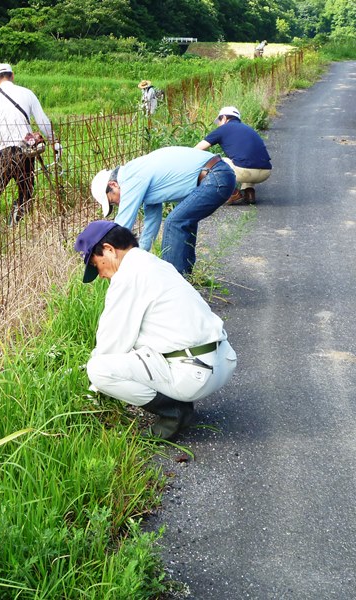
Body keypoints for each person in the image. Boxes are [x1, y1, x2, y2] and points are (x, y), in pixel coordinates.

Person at [74, 220, 237, 440]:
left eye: (96, 265)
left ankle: (175, 412)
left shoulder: (127, 277)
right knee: (138, 343)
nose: (100, 275)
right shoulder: (154, 264)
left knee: (99, 369)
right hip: (221, 361)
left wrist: (93, 388)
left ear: (109, 250)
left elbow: (111, 343)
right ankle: (179, 402)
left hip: (195, 374)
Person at [90, 146, 236, 276]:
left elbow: (122, 227)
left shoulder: (130, 176)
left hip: (215, 176)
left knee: (175, 222)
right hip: (217, 176)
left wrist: (103, 256)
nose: (117, 203)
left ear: (113, 184)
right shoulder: (143, 185)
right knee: (183, 220)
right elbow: (151, 226)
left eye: (112, 200)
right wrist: (139, 258)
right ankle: (185, 278)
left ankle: (173, 282)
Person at [0, 63, 60, 233]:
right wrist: (54, 141)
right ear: (12, 75)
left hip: (1, 153)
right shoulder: (26, 93)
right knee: (26, 191)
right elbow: (43, 121)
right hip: (25, 152)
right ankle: (13, 228)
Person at [195, 106, 272, 205]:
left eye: (219, 120)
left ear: (224, 118)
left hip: (244, 171)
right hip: (265, 172)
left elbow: (197, 149)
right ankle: (249, 192)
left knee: (213, 161)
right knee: (246, 158)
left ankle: (233, 193)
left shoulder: (223, 129)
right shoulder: (249, 129)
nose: (218, 124)